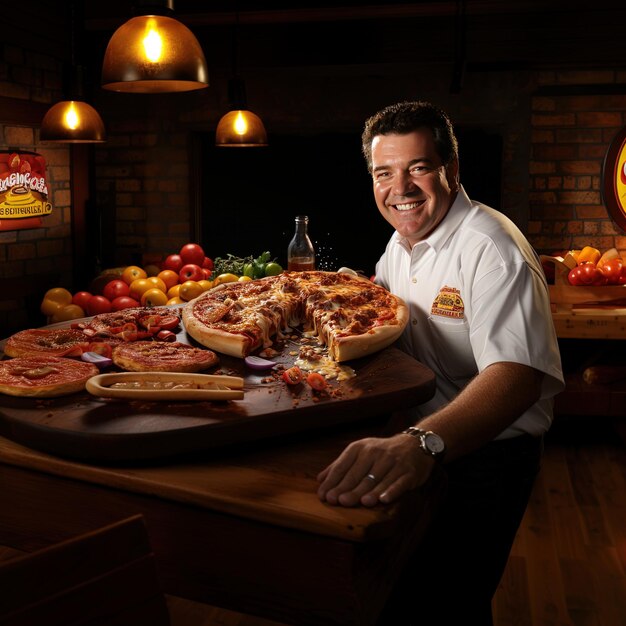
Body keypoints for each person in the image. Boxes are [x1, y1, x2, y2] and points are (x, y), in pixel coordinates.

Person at [317, 101, 564, 625]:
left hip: (487, 456)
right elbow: (388, 307)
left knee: (448, 605)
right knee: (401, 596)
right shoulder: (403, 240)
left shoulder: (491, 249)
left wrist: (418, 443)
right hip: (425, 440)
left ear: (452, 170)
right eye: (384, 173)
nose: (399, 187)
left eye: (418, 168)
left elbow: (517, 379)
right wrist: (353, 291)